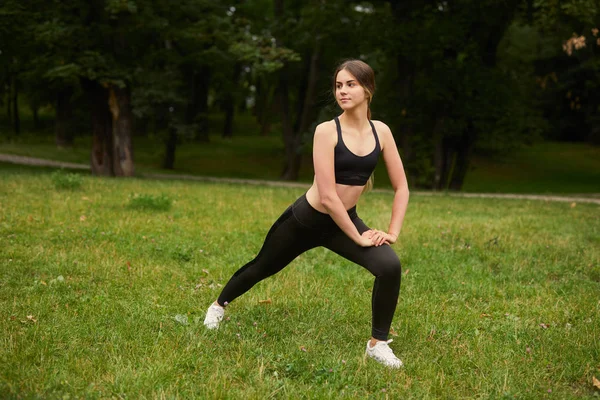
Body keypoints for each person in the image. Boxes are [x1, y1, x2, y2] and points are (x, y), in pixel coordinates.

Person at [203, 59, 410, 368]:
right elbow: (327, 196)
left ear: (368, 89)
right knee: (261, 267)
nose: (342, 91)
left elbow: (402, 187)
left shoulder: (381, 132)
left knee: (389, 266)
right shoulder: (327, 131)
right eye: (339, 85)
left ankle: (377, 343)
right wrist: (358, 237)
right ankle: (218, 306)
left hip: (345, 220)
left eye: (350, 84)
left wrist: (392, 232)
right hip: (307, 220)